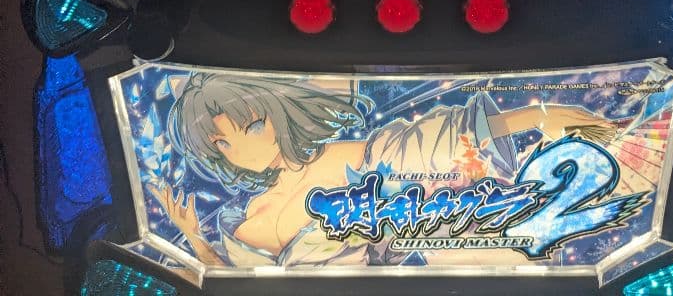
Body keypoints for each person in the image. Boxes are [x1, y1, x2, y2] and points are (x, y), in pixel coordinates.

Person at [149, 72, 616, 267]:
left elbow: (437, 140)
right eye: (222, 144)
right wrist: (193, 238)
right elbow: (229, 281)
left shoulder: (346, 158)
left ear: (279, 114)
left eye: (252, 125)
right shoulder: (243, 217)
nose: (243, 150)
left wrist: (536, 116)